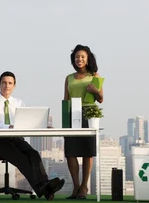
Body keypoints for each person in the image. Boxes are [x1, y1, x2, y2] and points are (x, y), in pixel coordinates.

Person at [0, 71, 65, 201]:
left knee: (33, 154)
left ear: (14, 86)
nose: (7, 86)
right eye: (4, 83)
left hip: (16, 139)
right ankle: (46, 190)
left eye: (10, 83)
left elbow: (27, 122)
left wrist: (42, 126)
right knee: (22, 159)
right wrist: (9, 127)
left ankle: (45, 187)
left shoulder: (19, 102)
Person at [63, 44, 104, 199]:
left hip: (89, 113)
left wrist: (95, 90)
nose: (79, 59)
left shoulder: (95, 76)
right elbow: (65, 99)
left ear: (87, 59)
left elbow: (101, 99)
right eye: (76, 57)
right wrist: (64, 119)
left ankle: (84, 187)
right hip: (72, 113)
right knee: (70, 152)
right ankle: (76, 186)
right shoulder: (68, 78)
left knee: (87, 153)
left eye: (82, 57)